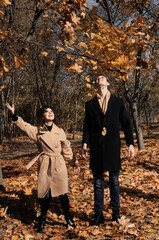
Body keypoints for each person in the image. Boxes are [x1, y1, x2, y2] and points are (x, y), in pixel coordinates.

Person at [6, 103, 80, 232]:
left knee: (63, 194)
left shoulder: (60, 130)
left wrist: (74, 163)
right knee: (45, 194)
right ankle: (43, 219)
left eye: (52, 111)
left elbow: (66, 149)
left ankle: (68, 218)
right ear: (42, 116)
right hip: (45, 163)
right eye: (47, 111)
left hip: (59, 163)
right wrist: (14, 114)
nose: (50, 113)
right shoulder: (37, 131)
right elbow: (24, 126)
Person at [82, 74, 135, 226]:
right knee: (98, 182)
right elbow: (86, 127)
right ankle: (98, 215)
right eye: (97, 78)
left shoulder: (118, 102)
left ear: (108, 82)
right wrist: (85, 145)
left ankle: (115, 213)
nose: (100, 78)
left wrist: (130, 144)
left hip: (113, 147)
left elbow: (126, 124)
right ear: (96, 84)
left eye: (103, 77)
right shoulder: (90, 104)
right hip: (96, 147)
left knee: (114, 181)